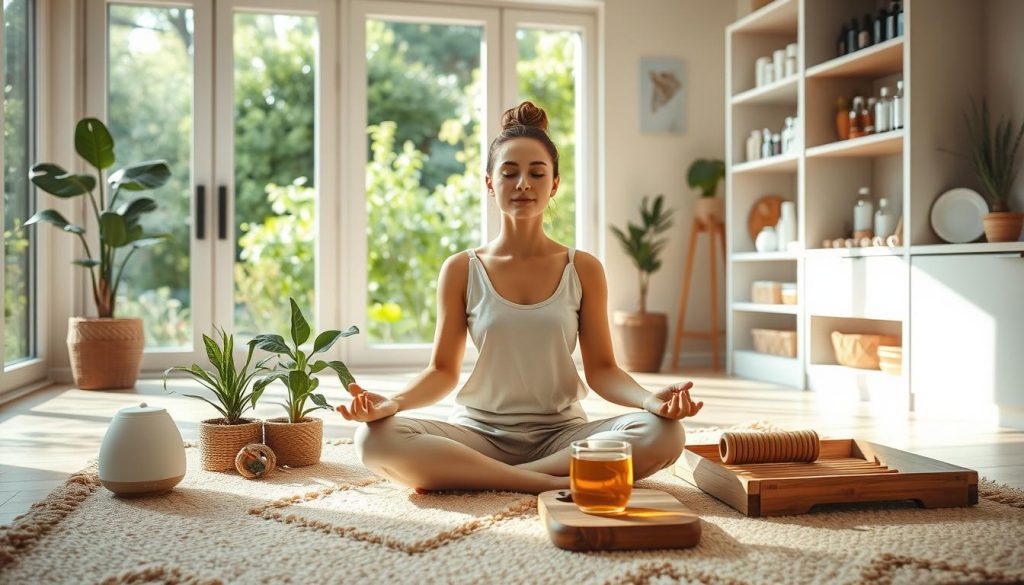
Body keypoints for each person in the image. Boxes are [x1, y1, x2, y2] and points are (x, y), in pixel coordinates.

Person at [338, 101, 703, 494]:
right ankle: (539, 482)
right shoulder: (461, 269)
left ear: (555, 184)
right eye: (509, 173)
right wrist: (391, 404)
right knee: (374, 439)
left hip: (562, 438)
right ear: (490, 183)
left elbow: (603, 370)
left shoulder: (584, 268)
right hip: (478, 437)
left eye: (536, 173)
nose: (523, 184)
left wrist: (650, 401)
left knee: (664, 434)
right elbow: (441, 371)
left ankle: (496, 477)